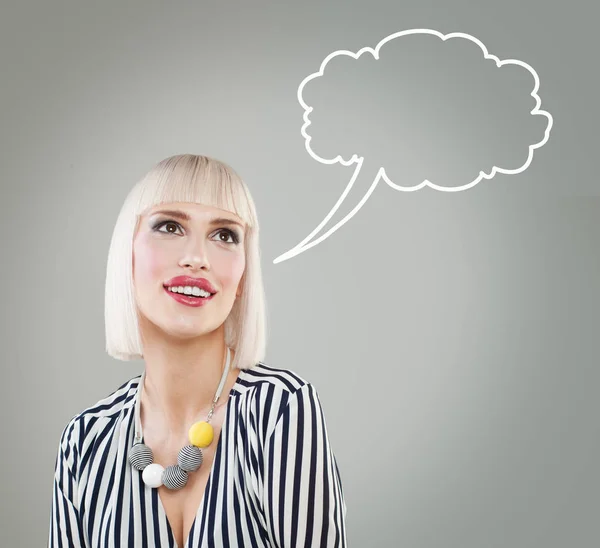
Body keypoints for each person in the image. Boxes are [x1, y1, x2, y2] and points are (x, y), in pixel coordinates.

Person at [48, 154, 347, 547]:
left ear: (242, 275)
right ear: (128, 254)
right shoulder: (85, 440)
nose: (197, 258)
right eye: (170, 226)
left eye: (224, 235)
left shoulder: (281, 411)